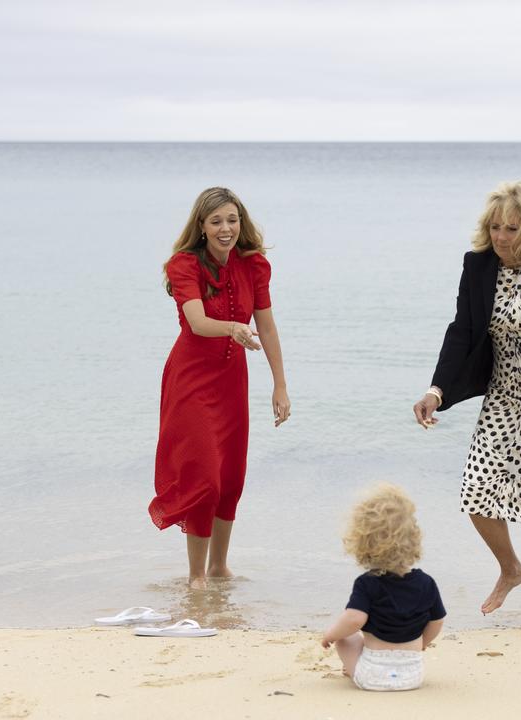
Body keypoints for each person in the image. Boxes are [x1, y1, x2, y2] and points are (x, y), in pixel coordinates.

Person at [412, 181, 521, 629]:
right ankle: (511, 569)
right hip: (500, 401)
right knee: (476, 492)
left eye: (511, 228)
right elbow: (461, 332)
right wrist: (437, 390)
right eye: (495, 227)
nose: (502, 236)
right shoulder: (477, 267)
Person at [149, 187, 290, 589]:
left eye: (232, 220)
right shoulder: (183, 265)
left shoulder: (254, 266)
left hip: (232, 381)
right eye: (216, 221)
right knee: (204, 476)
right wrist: (231, 328)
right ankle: (196, 576)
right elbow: (195, 322)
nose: (226, 228)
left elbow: (266, 325)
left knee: (230, 476)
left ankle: (219, 568)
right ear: (202, 226)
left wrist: (280, 384)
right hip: (191, 380)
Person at [321, 484, 446, 692]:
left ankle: (351, 667)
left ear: (362, 541)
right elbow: (437, 621)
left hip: (372, 675)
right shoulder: (426, 583)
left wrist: (330, 635)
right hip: (412, 675)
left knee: (345, 638)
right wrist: (423, 642)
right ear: (414, 538)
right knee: (356, 637)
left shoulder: (367, 583)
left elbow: (354, 619)